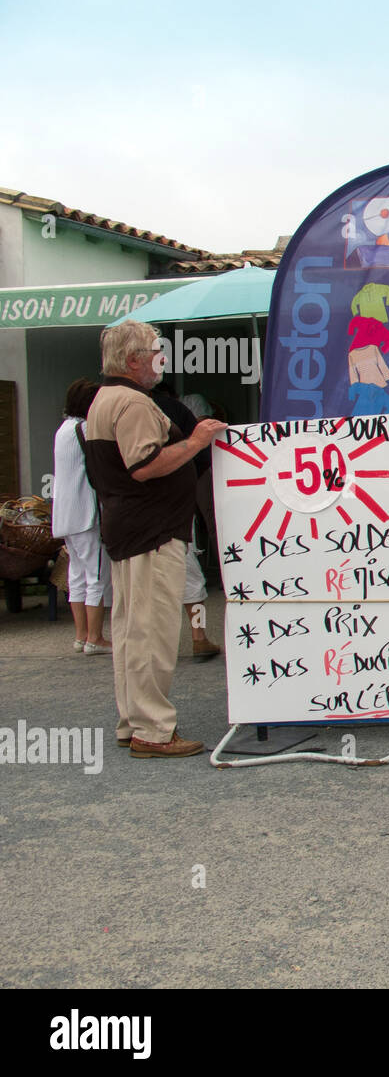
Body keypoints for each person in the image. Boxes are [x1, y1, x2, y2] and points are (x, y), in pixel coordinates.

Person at [82, 321, 226, 758]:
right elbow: (145, 465)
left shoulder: (104, 399)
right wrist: (196, 441)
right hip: (152, 531)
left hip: (128, 527)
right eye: (154, 351)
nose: (160, 358)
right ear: (132, 360)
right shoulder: (133, 402)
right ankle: (153, 729)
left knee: (130, 631)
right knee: (152, 633)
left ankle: (134, 721)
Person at [151, 382, 220, 659]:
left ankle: (153, 645)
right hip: (175, 501)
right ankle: (198, 636)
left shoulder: (116, 407)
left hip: (132, 506)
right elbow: (202, 455)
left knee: (144, 582)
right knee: (189, 571)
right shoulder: (175, 409)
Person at [52, 378, 112, 655]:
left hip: (65, 515)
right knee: (96, 576)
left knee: (77, 576)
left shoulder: (63, 430)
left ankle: (81, 636)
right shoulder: (86, 428)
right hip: (87, 514)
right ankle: (96, 638)